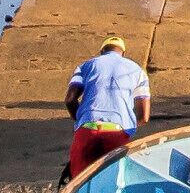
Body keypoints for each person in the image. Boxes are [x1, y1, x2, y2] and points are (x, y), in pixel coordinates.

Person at [64, 35, 151, 180]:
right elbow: (144, 116)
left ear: (102, 51)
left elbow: (70, 100)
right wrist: (128, 128)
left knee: (78, 183)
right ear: (123, 53)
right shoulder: (138, 71)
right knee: (112, 181)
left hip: (88, 129)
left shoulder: (86, 66)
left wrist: (79, 122)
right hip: (117, 132)